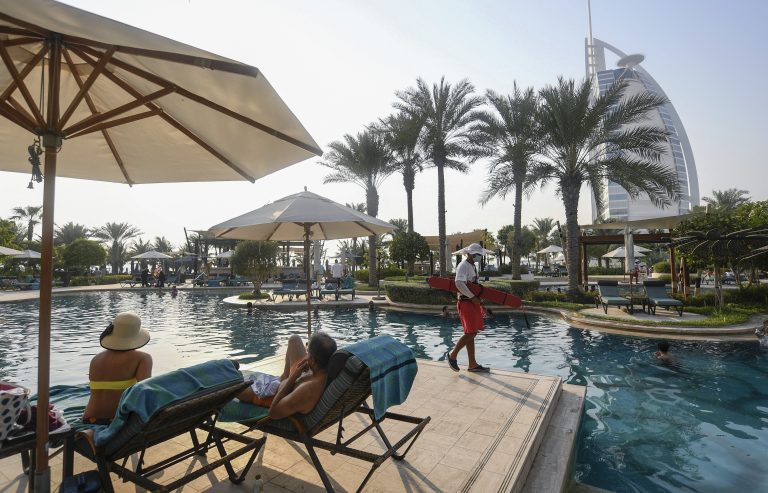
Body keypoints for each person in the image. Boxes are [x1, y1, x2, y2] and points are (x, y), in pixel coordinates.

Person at [237, 332, 337, 419]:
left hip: (271, 395)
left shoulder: (308, 390)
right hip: (289, 382)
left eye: (308, 353)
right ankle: (282, 378)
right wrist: (299, 372)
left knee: (236, 389)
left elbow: (273, 413)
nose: (307, 355)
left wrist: (294, 377)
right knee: (295, 339)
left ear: (314, 361)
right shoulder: (326, 370)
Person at [83, 312, 153, 424]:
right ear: (136, 336)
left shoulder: (96, 359)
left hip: (89, 419)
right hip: (117, 420)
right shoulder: (143, 358)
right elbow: (145, 393)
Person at [445, 243, 490, 373]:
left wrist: (479, 301)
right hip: (466, 302)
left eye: (480, 255)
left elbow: (473, 285)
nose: (478, 257)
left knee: (471, 332)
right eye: (477, 255)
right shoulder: (463, 265)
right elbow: (458, 283)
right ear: (470, 254)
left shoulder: (472, 266)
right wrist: (471, 297)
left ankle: (472, 364)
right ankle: (452, 355)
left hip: (472, 302)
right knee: (471, 332)